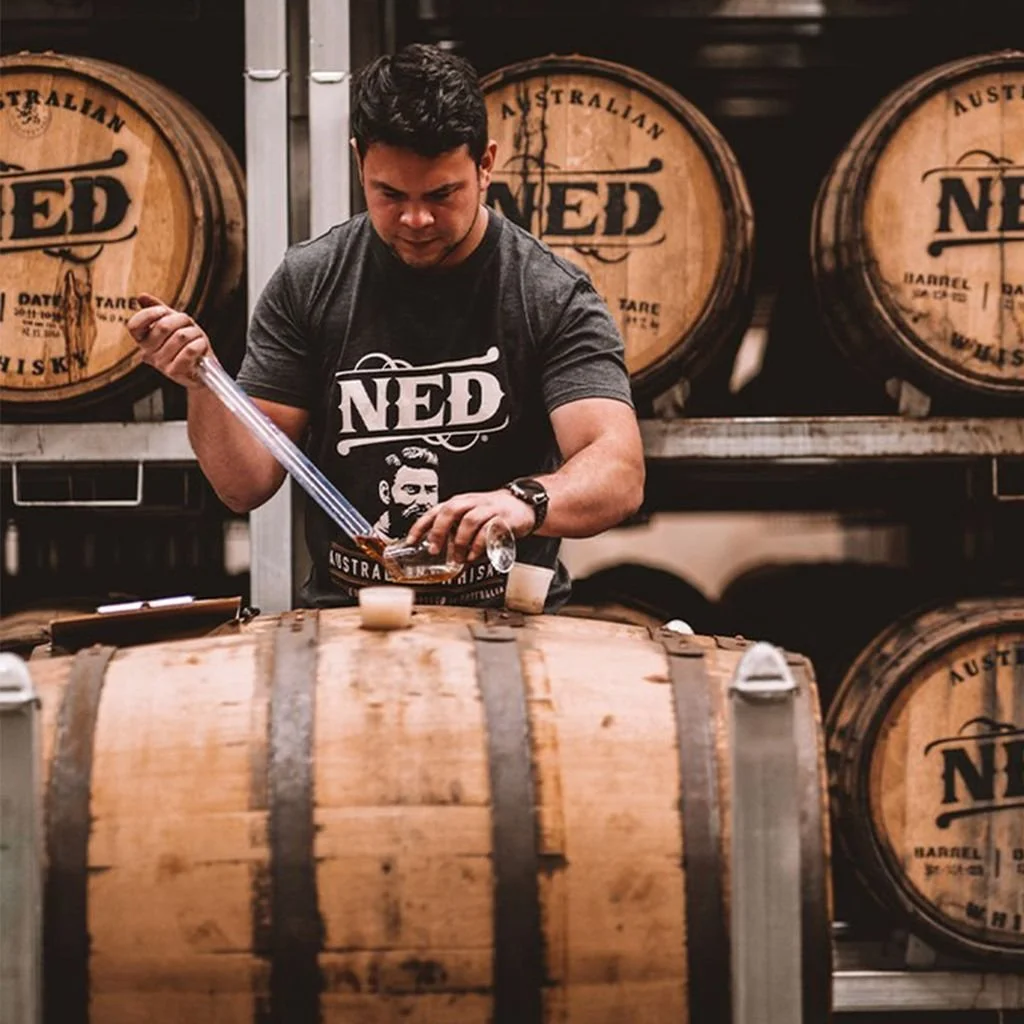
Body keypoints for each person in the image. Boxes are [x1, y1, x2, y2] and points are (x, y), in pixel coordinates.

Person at [127, 43, 644, 610]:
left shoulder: (547, 291)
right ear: (359, 163)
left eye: (442, 194)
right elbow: (244, 484)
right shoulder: (311, 281)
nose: (416, 219)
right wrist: (201, 383)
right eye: (389, 194)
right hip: (351, 621)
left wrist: (522, 502)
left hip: (508, 622)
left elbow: (618, 469)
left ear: (486, 163)